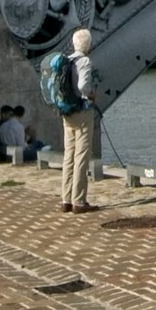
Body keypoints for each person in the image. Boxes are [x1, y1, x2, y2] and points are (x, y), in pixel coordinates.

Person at [57, 29, 103, 211]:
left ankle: (65, 199)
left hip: (67, 111)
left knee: (69, 155)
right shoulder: (84, 61)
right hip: (82, 112)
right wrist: (91, 94)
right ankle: (79, 201)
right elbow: (83, 85)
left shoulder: (67, 60)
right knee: (82, 155)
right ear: (88, 45)